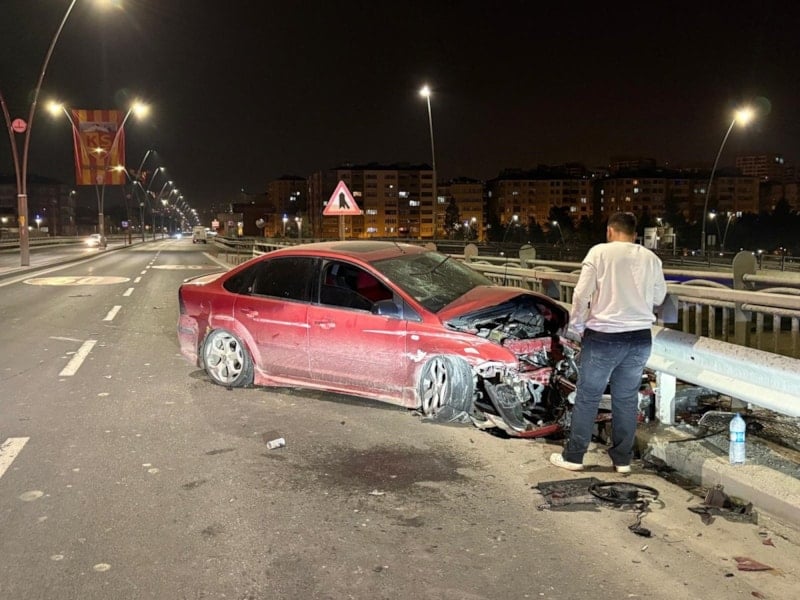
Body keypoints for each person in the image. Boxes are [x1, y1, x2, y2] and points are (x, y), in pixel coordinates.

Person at [550, 212, 667, 473]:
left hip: (604, 337)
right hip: (639, 337)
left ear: (610, 231)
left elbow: (581, 294)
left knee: (588, 397)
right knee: (626, 399)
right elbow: (659, 297)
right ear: (635, 235)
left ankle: (574, 457)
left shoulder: (599, 253)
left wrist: (577, 326)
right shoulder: (651, 258)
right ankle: (622, 460)